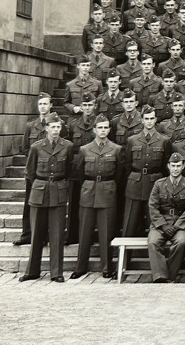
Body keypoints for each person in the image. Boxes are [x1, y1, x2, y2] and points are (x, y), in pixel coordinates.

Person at [20, 113, 74, 283]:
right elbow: (29, 172)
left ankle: (56, 272)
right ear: (46, 128)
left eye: (58, 127)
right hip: (39, 191)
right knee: (36, 233)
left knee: (57, 234)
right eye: (53, 127)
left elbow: (70, 170)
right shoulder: (36, 147)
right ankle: (32, 271)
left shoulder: (68, 146)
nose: (56, 130)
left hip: (58, 190)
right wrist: (41, 184)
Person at [70, 114, 124, 280]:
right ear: (94, 130)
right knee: (84, 231)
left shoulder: (116, 149)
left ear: (109, 129)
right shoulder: (84, 149)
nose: (102, 130)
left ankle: (107, 267)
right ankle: (80, 267)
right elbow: (78, 173)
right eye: (99, 127)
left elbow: (120, 174)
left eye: (105, 127)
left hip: (107, 192)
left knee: (106, 232)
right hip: (88, 191)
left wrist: (108, 186)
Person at [147, 152, 185, 283]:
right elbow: (153, 207)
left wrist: (176, 227)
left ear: (183, 167)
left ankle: (170, 275)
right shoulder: (159, 184)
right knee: (153, 242)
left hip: (180, 224)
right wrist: (163, 225)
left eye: (178, 165)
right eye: (173, 165)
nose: (175, 168)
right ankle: (160, 276)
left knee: (180, 242)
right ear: (168, 166)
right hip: (161, 224)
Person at [14, 92, 56, 246]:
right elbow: (25, 148)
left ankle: (44, 235)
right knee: (29, 204)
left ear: (51, 105)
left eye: (45, 103)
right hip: (34, 172)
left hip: (49, 172)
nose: (43, 106)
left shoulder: (57, 125)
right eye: (40, 104)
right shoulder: (30, 126)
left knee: (47, 204)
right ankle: (27, 234)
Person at [122, 105, 171, 237]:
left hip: (154, 184)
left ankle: (154, 255)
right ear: (142, 120)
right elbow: (127, 164)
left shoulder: (164, 140)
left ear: (155, 120)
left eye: (152, 118)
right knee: (129, 224)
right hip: (135, 184)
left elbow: (166, 167)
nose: (149, 121)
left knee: (154, 223)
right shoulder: (132, 140)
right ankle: (126, 257)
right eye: (146, 118)